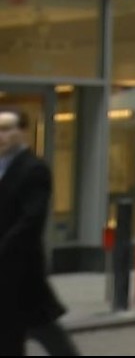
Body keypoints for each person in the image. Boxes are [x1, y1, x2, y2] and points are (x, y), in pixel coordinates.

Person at [0, 109, 80, 356]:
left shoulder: (33, 169)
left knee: (44, 331)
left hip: (21, 272)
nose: (0, 135)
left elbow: (31, 221)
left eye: (6, 128)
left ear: (22, 132)